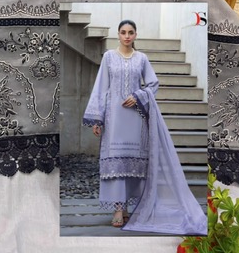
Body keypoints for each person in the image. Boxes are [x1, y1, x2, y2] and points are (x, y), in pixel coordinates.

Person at [83, 20, 207, 234]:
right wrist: (97, 118)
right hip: (114, 118)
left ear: (135, 35)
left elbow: (153, 84)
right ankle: (118, 208)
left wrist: (139, 95)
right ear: (118, 34)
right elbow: (101, 88)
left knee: (133, 163)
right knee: (116, 162)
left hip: (135, 117)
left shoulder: (141, 58)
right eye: (123, 32)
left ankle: (127, 207)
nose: (127, 36)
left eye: (130, 32)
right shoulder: (109, 57)